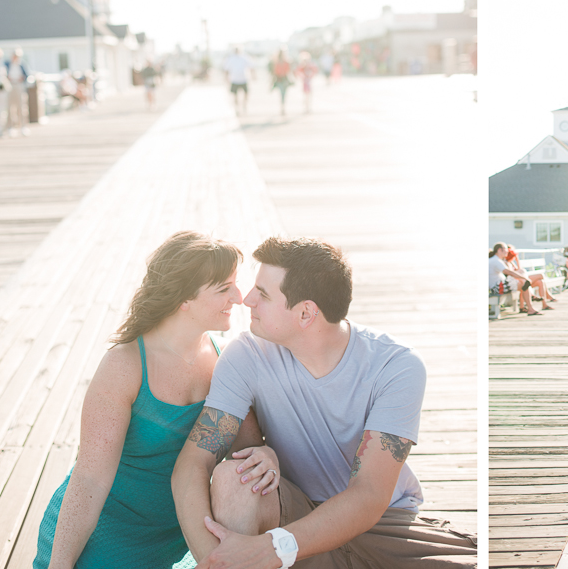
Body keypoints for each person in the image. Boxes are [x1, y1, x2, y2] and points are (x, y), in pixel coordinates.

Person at [172, 237, 477, 568]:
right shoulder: (245, 356)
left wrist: (272, 549)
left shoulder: (396, 367)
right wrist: (215, 561)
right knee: (236, 478)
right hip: (292, 509)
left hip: (382, 525)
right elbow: (191, 465)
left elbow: (369, 494)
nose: (247, 300)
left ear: (306, 313)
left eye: (263, 293)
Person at [33, 231, 275, 568]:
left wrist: (265, 454)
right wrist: (60, 564)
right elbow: (90, 478)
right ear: (183, 299)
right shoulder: (125, 364)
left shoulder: (226, 361)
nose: (239, 296)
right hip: (106, 531)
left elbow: (244, 449)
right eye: (224, 289)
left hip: (183, 536)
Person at [488, 242, 542, 315]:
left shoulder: (496, 260)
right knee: (524, 283)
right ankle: (530, 308)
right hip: (498, 287)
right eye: (506, 249)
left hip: (499, 285)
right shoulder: (496, 260)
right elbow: (509, 272)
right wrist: (525, 278)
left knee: (524, 282)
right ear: (499, 250)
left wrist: (524, 279)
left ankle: (529, 307)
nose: (507, 251)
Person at [504, 244, 555, 310]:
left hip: (521, 279)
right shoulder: (506, 263)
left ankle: (544, 304)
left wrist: (517, 260)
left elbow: (518, 269)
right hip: (517, 280)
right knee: (535, 278)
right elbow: (513, 274)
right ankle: (532, 298)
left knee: (540, 282)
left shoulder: (511, 262)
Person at [5, 48, 30, 136]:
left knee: (21, 107)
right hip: (10, 86)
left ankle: (23, 126)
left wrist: (22, 78)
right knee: (10, 108)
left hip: (19, 85)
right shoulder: (7, 64)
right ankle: (11, 127)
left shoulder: (22, 64)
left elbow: (26, 75)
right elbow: (3, 75)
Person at [223, 46, 253, 115]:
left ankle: (244, 105)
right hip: (234, 80)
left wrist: (253, 75)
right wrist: (226, 78)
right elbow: (226, 69)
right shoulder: (230, 58)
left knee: (246, 93)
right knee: (235, 96)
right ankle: (237, 108)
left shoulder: (244, 57)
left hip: (244, 79)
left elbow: (251, 66)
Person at [270, 50, 293, 116]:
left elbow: (288, 71)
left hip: (284, 79)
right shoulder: (276, 62)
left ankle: (283, 107)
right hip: (280, 79)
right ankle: (282, 107)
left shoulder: (286, 62)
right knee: (282, 94)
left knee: (283, 94)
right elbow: (274, 72)